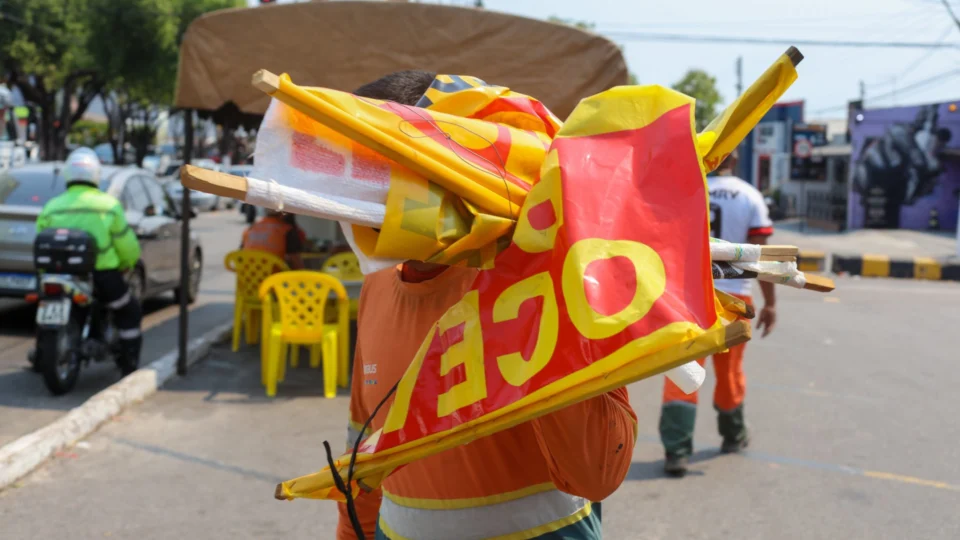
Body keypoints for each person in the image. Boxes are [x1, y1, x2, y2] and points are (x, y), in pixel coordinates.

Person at [338, 71, 638, 540]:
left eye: (371, 171)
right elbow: (364, 447)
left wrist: (538, 287)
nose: (345, 199)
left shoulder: (541, 280)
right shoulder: (377, 286)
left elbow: (599, 473)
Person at [660, 150, 776, 477]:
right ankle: (733, 434)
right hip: (735, 299)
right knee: (730, 373)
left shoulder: (688, 193)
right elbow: (761, 257)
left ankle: (677, 451)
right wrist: (770, 303)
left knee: (682, 373)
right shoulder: (750, 196)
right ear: (735, 160)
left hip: (689, 299)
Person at [36, 147, 143, 373]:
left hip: (58, 275)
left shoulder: (51, 207)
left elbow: (40, 240)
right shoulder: (109, 206)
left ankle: (40, 356)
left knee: (45, 308)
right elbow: (127, 247)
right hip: (101, 276)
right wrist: (128, 264)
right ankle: (129, 365)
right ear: (95, 174)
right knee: (130, 312)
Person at [240, 209, 306, 269]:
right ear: (283, 213)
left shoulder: (251, 228)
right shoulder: (287, 230)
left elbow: (240, 255)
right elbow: (296, 261)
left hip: (247, 276)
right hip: (274, 277)